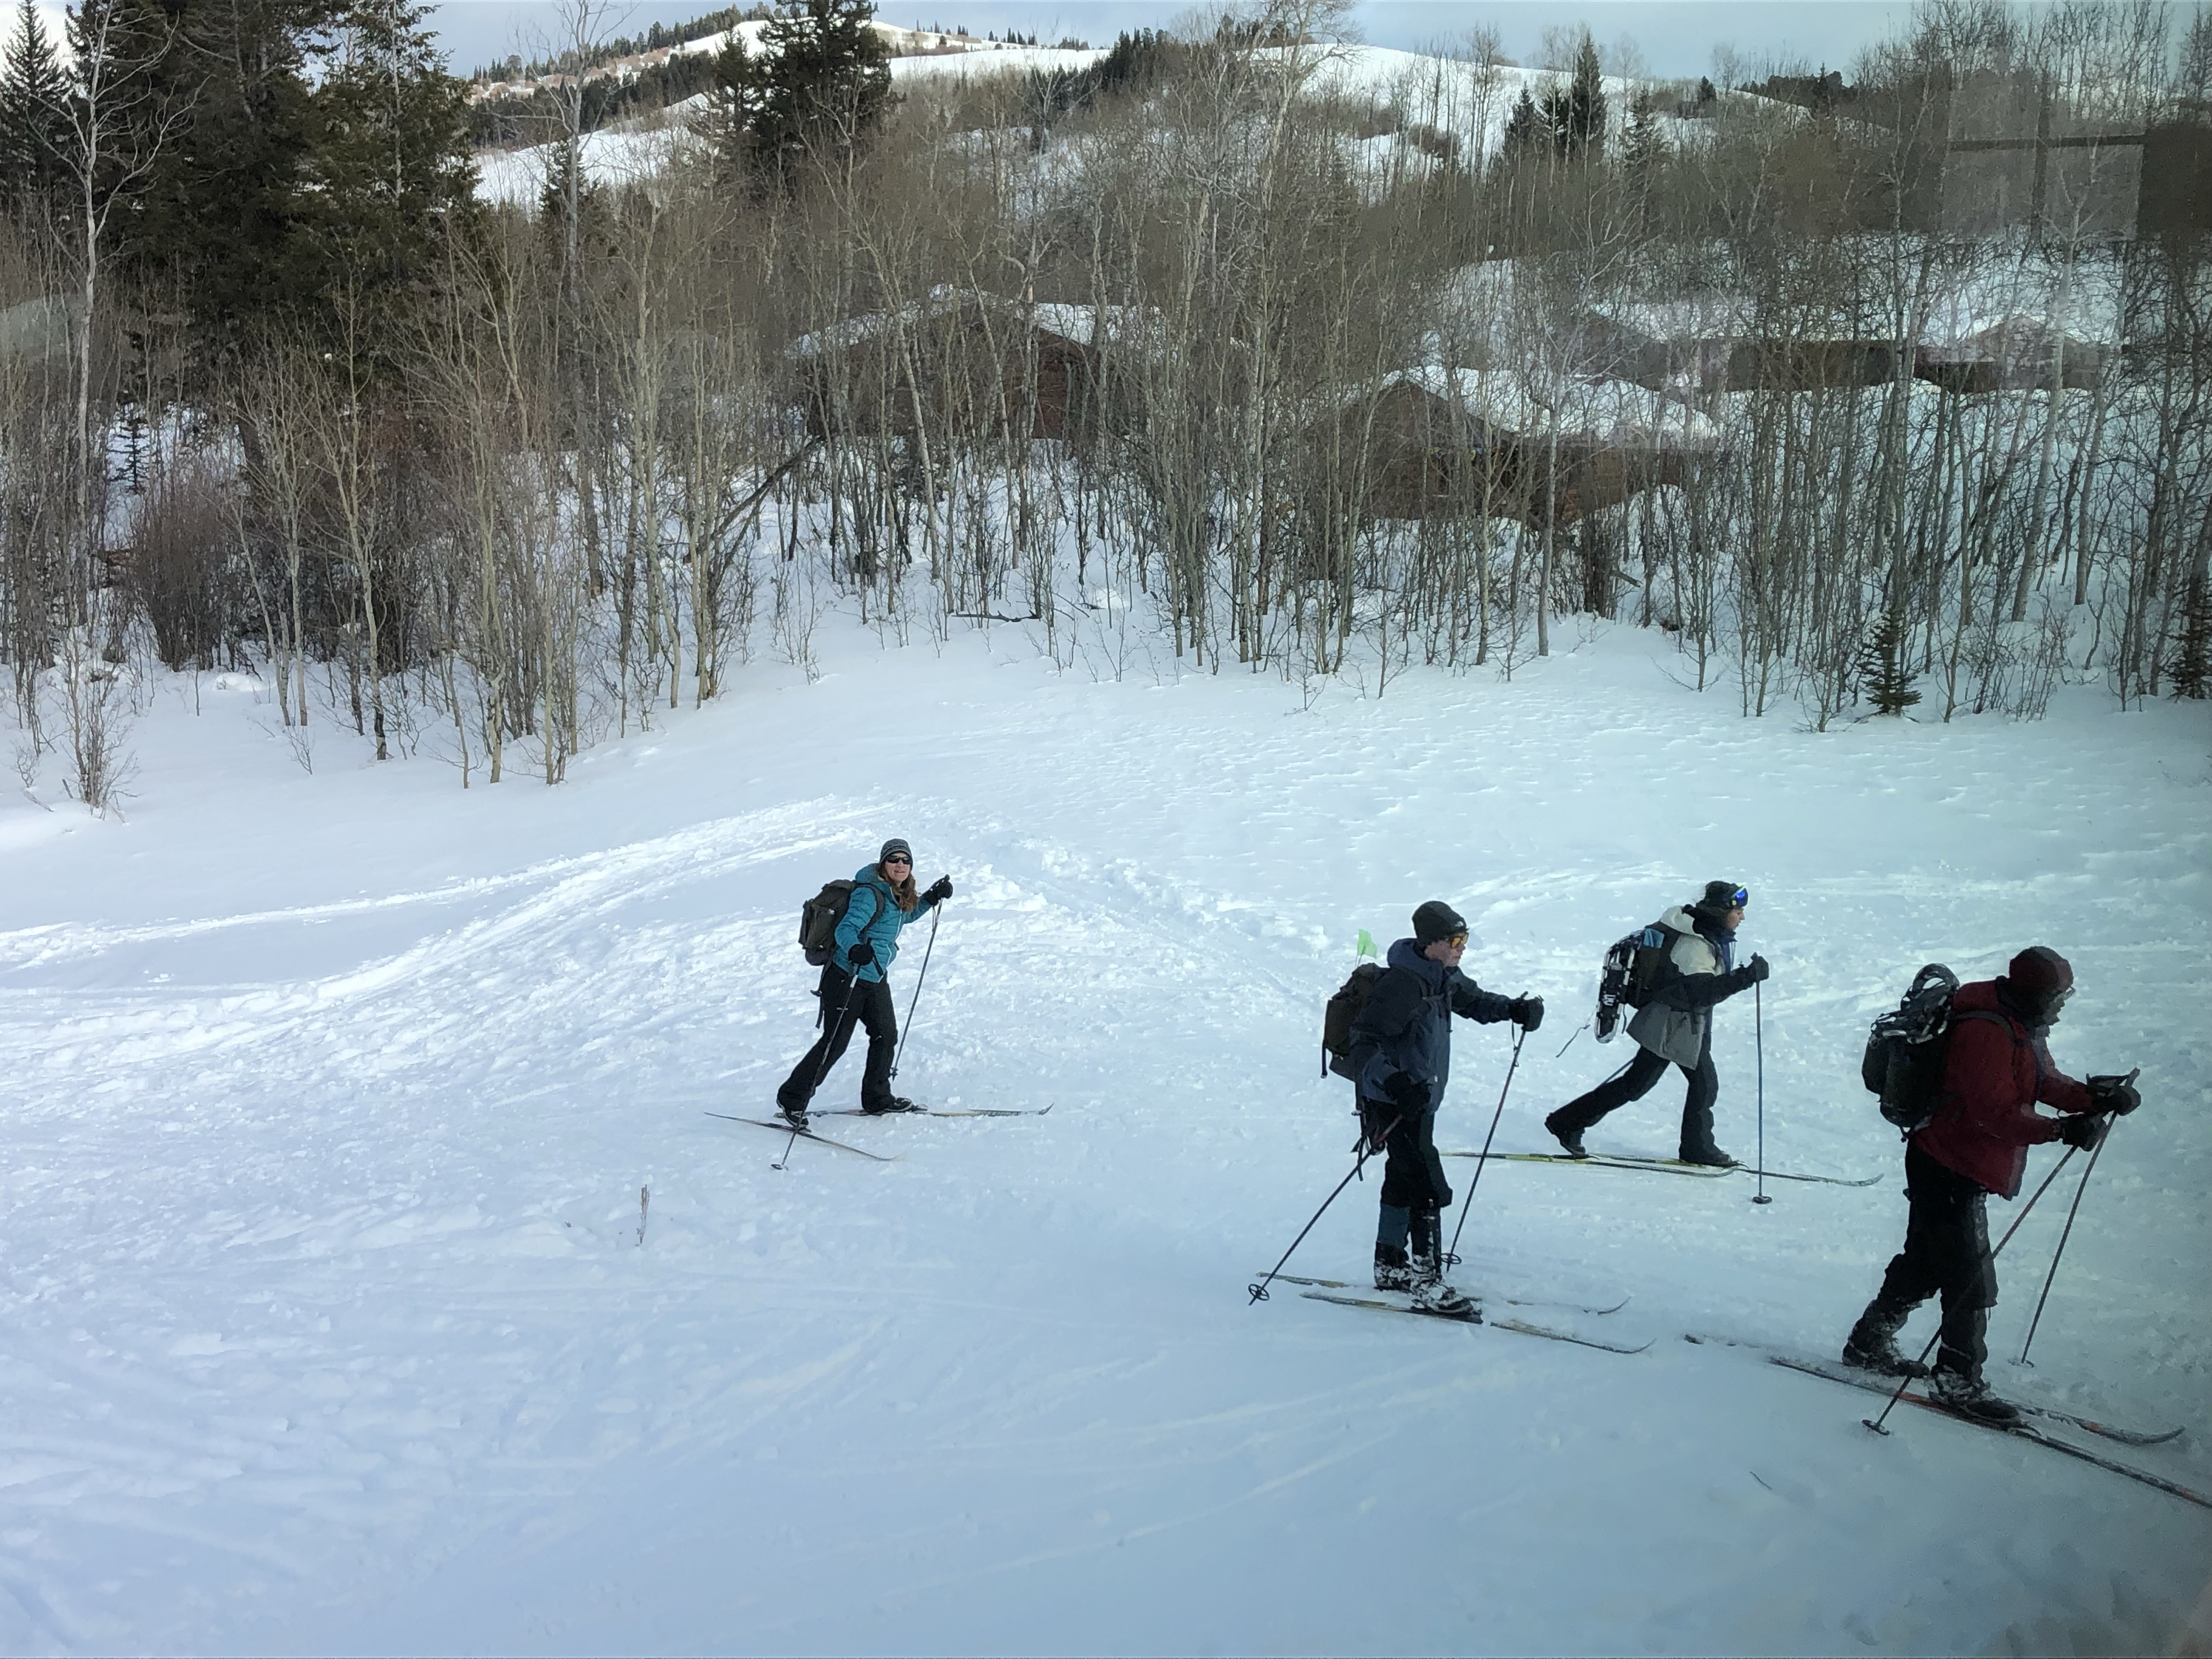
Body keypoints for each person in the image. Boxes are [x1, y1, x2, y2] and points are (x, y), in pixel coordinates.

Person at [1839, 946, 2140, 1424]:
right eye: (2057, 995)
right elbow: (1991, 1113)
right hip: (1948, 1161)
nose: (2062, 1004)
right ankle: (1957, 1381)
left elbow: (2041, 1081)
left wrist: (2092, 1098)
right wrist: (2060, 1130)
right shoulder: (1986, 1029)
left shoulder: (2021, 1025)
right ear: (2032, 993)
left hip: (1956, 1159)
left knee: (1926, 1260)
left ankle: (1868, 1342)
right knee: (1969, 1279)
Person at [1347, 900, 1544, 1314]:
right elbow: (1362, 1045)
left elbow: (1473, 1002)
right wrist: (1397, 1082)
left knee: (1403, 1178)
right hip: (1394, 1102)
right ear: (1429, 942)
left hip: (1419, 1098)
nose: (1461, 948)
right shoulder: (1402, 984)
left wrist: (1514, 1009)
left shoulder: (1442, 976)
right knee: (1428, 1188)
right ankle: (1427, 1282)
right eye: (1454, 941)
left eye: (1465, 939)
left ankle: (1390, 1266)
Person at [1543, 880, 1769, 1167]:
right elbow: (1699, 993)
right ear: (1720, 911)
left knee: (1638, 1083)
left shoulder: (1701, 931)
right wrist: (1745, 977)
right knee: (1701, 1084)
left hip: (1679, 1021)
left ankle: (1567, 1122)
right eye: (1738, 911)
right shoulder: (1693, 944)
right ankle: (1697, 1148)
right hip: (1675, 1023)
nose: (1742, 917)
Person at [776, 838, 952, 1126]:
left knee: (886, 1034)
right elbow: (846, 929)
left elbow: (902, 919)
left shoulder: (897, 893)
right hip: (847, 975)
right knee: (835, 1043)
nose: (900, 865)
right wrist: (855, 948)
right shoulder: (869, 893)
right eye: (894, 859)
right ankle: (792, 1099)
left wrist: (931, 897)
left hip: (874, 975)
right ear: (883, 863)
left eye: (905, 860)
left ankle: (878, 1098)